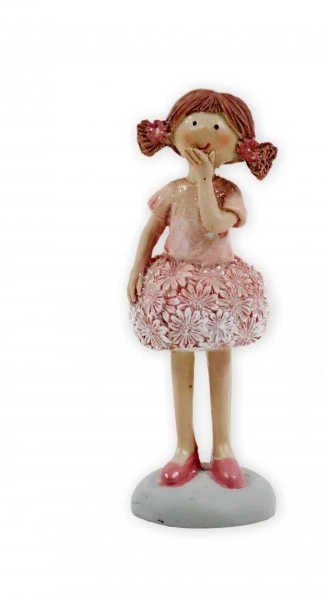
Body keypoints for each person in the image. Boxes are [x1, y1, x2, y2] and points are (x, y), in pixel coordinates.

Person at [127, 89, 277, 489]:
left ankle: (223, 447)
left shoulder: (229, 193)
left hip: (220, 287)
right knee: (180, 364)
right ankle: (184, 447)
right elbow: (151, 231)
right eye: (193, 123)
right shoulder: (174, 191)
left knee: (220, 363)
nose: (203, 133)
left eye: (216, 126)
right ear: (174, 132)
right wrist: (137, 268)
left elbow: (213, 224)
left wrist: (208, 180)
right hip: (176, 287)